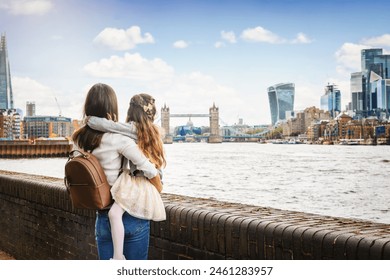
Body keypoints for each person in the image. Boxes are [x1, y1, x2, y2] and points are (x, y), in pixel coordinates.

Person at [72, 83, 163, 260]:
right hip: (130, 215)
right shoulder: (118, 139)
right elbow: (149, 170)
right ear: (111, 108)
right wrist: (159, 188)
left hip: (101, 216)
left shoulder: (77, 138)